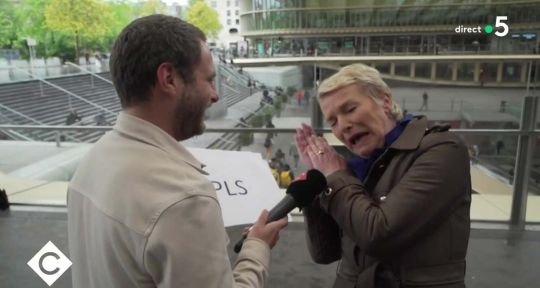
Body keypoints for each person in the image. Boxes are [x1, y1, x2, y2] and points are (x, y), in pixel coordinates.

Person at [67, 15, 287, 288]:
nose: (215, 95)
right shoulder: (183, 197)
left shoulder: (91, 161)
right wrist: (256, 246)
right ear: (169, 78)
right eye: (208, 80)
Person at [295, 63, 471, 287]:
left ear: (385, 101)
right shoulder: (352, 170)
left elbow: (379, 235)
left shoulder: (443, 149)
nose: (343, 126)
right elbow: (324, 252)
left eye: (350, 109)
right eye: (333, 121)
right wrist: (318, 182)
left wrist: (336, 175)